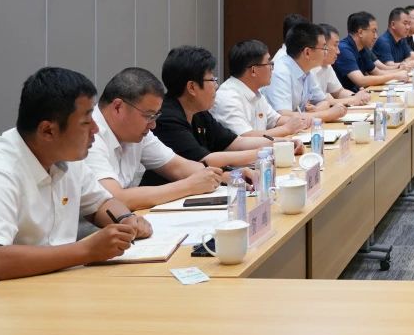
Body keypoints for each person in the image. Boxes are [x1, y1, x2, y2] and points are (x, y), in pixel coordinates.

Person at [0, 68, 150, 301]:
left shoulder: (66, 157)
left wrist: (126, 219)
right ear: (48, 130)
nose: (96, 129)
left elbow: (101, 203)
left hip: (39, 289)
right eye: (86, 122)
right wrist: (86, 250)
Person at [86, 67, 228, 211]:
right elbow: (114, 199)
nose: (153, 125)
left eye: (155, 116)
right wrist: (189, 186)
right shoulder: (89, 137)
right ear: (118, 107)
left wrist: (225, 176)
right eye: (149, 116)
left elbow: (178, 167)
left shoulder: (136, 132)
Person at [145, 46, 286, 185]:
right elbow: (205, 160)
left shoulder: (199, 113)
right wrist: (264, 152)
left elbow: (235, 142)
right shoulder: (166, 118)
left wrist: (280, 144)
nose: (216, 86)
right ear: (192, 87)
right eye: (212, 80)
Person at [213, 40, 307, 138]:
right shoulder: (227, 97)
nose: (272, 68)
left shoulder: (255, 92)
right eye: (268, 63)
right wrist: (286, 129)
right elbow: (245, 137)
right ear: (253, 70)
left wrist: (301, 121)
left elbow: (275, 120)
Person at [263, 23, 346, 122]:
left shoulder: (306, 70)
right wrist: (327, 114)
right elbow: (283, 115)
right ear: (307, 52)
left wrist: (317, 110)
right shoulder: (280, 72)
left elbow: (324, 102)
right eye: (324, 48)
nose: (326, 52)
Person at [335, 11, 408, 92]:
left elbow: (377, 72)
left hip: (359, 94)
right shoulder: (344, 49)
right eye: (373, 31)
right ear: (360, 32)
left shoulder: (363, 49)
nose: (376, 36)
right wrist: (395, 76)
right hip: (346, 97)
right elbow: (361, 81)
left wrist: (400, 71)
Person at [317, 24, 371, 105]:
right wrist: (354, 99)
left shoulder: (327, 65)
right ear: (323, 45)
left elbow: (339, 92)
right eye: (335, 45)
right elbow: (325, 101)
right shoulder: (310, 69)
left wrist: (356, 96)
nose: (338, 52)